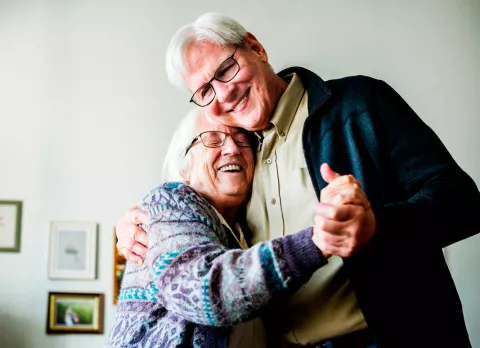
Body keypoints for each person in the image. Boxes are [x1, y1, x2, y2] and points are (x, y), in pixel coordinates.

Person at [116, 13, 480, 348]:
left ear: (255, 47)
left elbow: (463, 202)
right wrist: (136, 219)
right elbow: (194, 226)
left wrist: (376, 226)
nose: (223, 93)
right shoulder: (238, 157)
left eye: (225, 69)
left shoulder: (359, 104)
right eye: (205, 91)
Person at [107, 109, 363, 347]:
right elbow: (201, 291)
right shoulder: (170, 201)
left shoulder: (244, 230)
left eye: (242, 140)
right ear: (184, 166)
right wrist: (317, 242)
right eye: (212, 140)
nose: (232, 148)